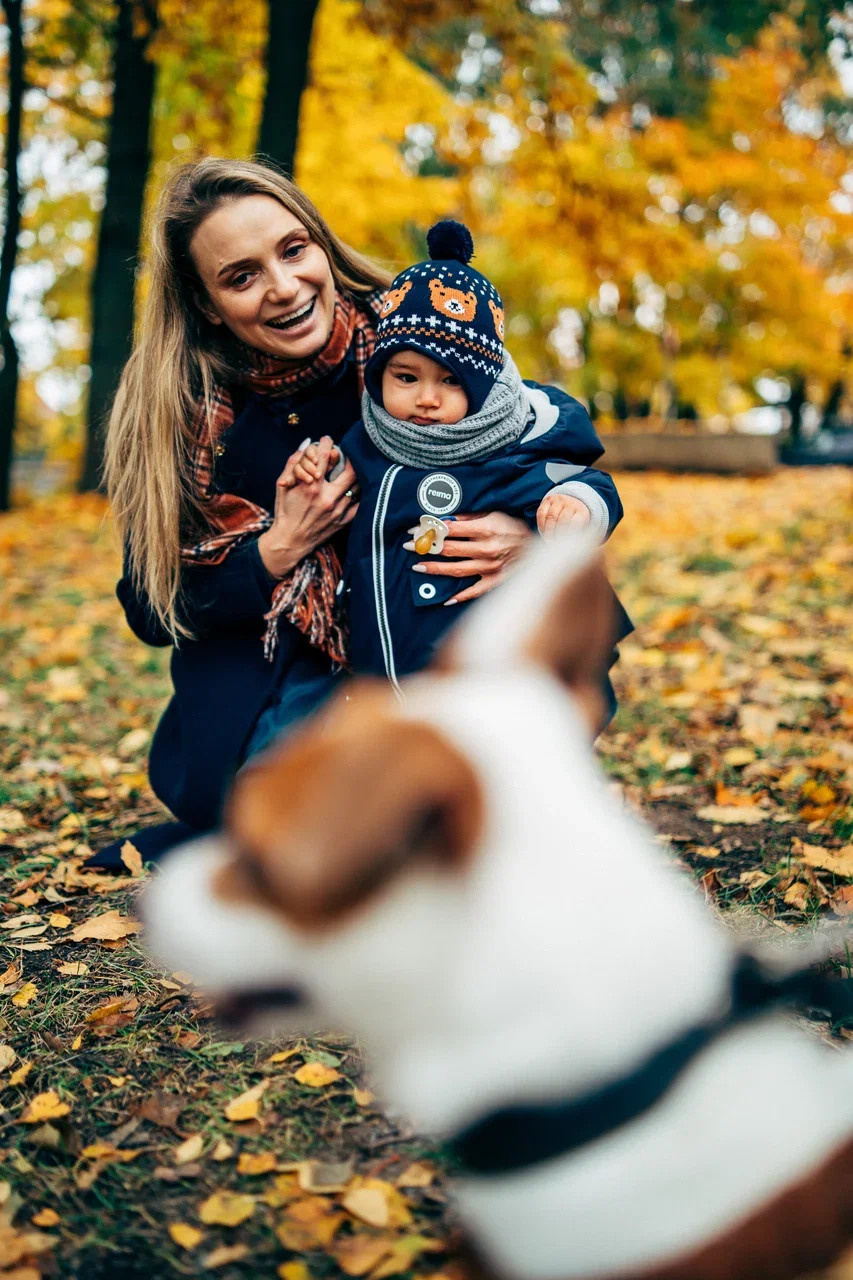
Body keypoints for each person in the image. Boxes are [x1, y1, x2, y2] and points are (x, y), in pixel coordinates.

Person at [95, 160, 548, 865]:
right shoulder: (183, 411)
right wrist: (276, 550)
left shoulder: (415, 344)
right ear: (209, 304)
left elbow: (545, 440)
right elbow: (150, 609)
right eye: (241, 277)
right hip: (277, 686)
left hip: (421, 643)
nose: (283, 287)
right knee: (339, 849)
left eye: (292, 249)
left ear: (321, 245)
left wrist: (529, 532)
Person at [246, 220, 630, 756]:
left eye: (451, 381)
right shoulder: (370, 441)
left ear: (482, 385)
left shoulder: (509, 447)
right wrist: (315, 466)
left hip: (492, 662)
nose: (427, 398)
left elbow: (590, 485)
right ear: (379, 377)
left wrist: (573, 508)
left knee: (499, 765)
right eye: (406, 377)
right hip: (385, 664)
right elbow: (338, 476)